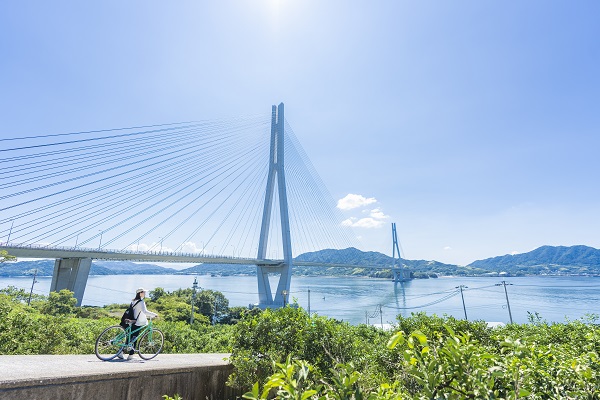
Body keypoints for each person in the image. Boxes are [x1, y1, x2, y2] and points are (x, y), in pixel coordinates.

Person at [118, 287, 158, 360]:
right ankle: (130, 355)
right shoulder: (141, 302)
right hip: (137, 321)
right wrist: (154, 314)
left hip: (131, 320)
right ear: (140, 293)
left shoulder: (133, 301)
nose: (145, 293)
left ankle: (121, 352)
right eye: (144, 292)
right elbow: (145, 312)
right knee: (134, 338)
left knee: (129, 337)